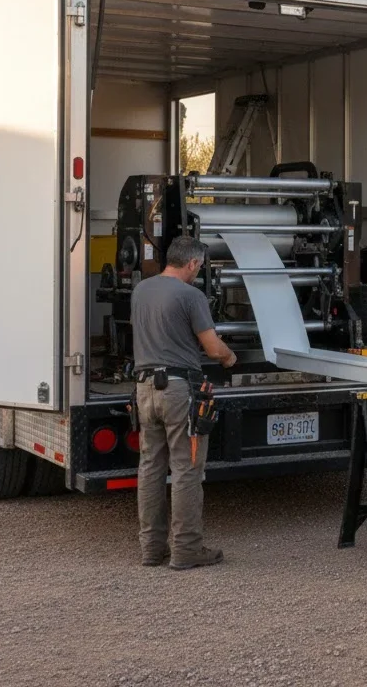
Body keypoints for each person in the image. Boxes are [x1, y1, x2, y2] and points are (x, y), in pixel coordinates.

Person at [131, 235, 237, 571]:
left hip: (144, 390)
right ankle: (187, 549)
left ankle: (151, 549)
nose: (199, 271)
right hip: (178, 392)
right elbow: (212, 348)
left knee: (150, 469)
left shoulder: (141, 290)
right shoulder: (191, 295)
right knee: (187, 471)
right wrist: (230, 358)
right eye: (200, 266)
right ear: (191, 263)